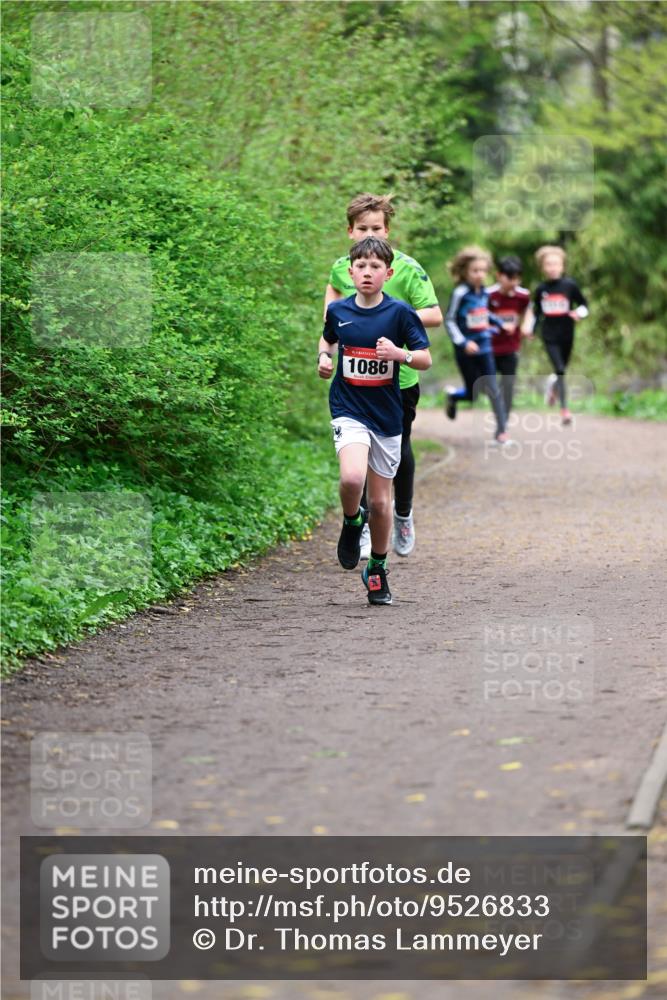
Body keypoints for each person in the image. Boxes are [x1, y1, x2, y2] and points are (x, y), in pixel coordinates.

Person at [324, 193, 442, 559]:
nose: (368, 234)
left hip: (399, 380)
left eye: (376, 228)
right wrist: (325, 351)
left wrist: (391, 318)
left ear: (388, 231)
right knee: (355, 458)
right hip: (354, 380)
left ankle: (402, 513)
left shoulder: (406, 268)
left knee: (398, 450)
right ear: (350, 231)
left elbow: (435, 315)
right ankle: (360, 526)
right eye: (362, 228)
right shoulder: (343, 268)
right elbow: (330, 315)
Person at [318, 236, 432, 606]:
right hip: (349, 408)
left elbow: (425, 359)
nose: (367, 273)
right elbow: (328, 341)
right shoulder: (339, 311)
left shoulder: (400, 314)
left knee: (382, 504)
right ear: (350, 273)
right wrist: (324, 358)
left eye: (375, 267)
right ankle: (353, 522)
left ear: (389, 273)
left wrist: (400, 354)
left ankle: (378, 569)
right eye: (361, 267)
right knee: (352, 477)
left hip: (387, 414)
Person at [444, 246, 509, 444]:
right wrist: (463, 342)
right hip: (465, 350)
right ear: (465, 272)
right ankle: (454, 397)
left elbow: (482, 312)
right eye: (475, 271)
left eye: (483, 270)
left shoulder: (484, 292)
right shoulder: (460, 293)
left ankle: (501, 432)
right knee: (474, 394)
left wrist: (497, 322)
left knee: (492, 388)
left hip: (485, 346)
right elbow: (449, 320)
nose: (480, 275)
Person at [532, 245, 588, 425]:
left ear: (562, 266)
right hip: (549, 336)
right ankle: (565, 410)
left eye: (556, 264)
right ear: (542, 267)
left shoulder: (570, 285)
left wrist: (579, 313)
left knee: (562, 369)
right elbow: (537, 313)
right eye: (548, 264)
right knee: (561, 370)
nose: (552, 268)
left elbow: (584, 305)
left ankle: (553, 386)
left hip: (567, 334)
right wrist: (532, 331)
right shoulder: (541, 289)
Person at [487, 255, 531, 422]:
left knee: (508, 385)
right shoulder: (488, 295)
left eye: (517, 279)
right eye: (510, 278)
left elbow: (528, 311)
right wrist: (496, 326)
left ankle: (503, 421)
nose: (513, 282)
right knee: (489, 385)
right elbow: (480, 317)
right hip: (489, 347)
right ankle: (499, 414)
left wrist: (526, 326)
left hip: (511, 347)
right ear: (499, 275)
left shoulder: (523, 296)